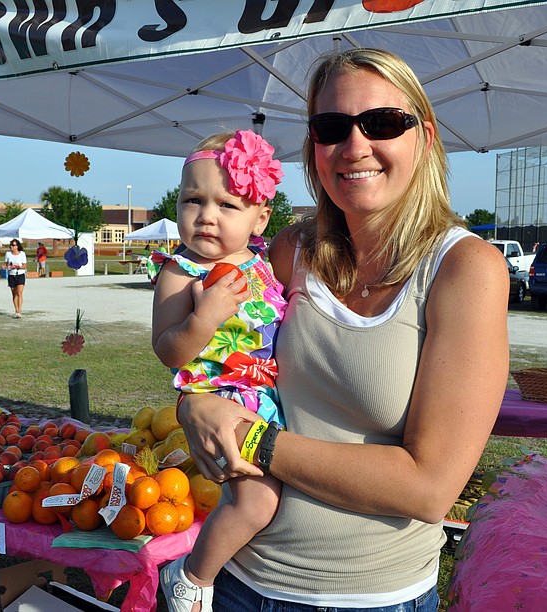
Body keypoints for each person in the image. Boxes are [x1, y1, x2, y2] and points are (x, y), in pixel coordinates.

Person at [176, 48, 509, 611]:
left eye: (381, 123)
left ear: (424, 139)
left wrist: (252, 438)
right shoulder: (289, 250)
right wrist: (193, 405)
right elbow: (217, 354)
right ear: (314, 147)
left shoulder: (463, 269)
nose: (355, 146)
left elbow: (429, 489)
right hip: (241, 583)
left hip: (372, 599)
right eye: (332, 127)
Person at [151, 129, 285, 612]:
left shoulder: (265, 266)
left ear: (259, 218)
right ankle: (190, 577)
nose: (206, 216)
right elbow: (168, 350)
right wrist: (204, 318)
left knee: (270, 499)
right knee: (258, 503)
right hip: (224, 399)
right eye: (193, 200)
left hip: (269, 398)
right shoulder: (179, 271)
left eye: (227, 205)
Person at [5, 239, 27, 318]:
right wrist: (5, 267)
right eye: (11, 245)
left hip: (20, 274)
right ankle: (16, 310)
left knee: (19, 293)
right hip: (11, 275)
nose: (11, 246)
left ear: (17, 246)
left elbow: (24, 266)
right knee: (14, 294)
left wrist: (18, 267)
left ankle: (20, 311)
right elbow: (6, 265)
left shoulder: (22, 254)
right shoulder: (8, 254)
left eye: (13, 245)